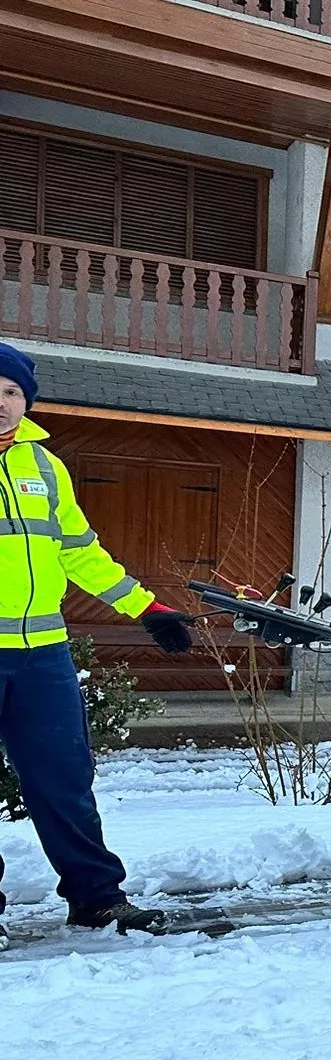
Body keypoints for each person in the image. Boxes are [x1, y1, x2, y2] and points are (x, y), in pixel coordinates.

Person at [0, 342, 195, 949]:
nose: (0, 403)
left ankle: (96, 899)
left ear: (26, 400)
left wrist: (147, 608)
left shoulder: (45, 468)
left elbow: (79, 552)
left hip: (44, 654)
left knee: (64, 780)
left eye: (10, 392)